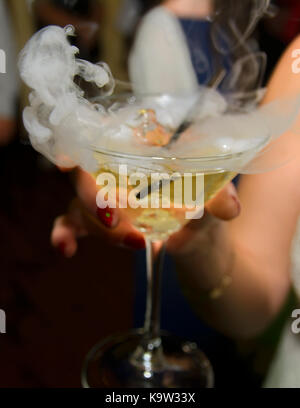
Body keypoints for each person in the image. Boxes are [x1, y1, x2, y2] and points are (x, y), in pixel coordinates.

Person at [50, 0, 300, 387]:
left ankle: (156, 350)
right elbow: (161, 118)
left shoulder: (228, 30)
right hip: (162, 177)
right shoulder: (161, 25)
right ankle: (148, 350)